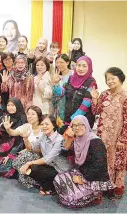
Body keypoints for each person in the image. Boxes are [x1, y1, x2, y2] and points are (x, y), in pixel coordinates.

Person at [54, 115, 114, 208]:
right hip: (80, 172)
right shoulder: (77, 140)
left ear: (86, 125)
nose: (77, 128)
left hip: (94, 179)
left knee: (71, 201)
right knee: (58, 179)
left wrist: (83, 179)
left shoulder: (96, 142)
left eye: (80, 124)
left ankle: (94, 195)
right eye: (74, 125)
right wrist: (69, 138)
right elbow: (64, 152)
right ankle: (76, 196)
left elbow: (100, 165)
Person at [91, 67, 127, 199]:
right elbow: (96, 111)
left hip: (118, 136)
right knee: (104, 160)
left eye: (113, 78)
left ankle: (117, 188)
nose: (110, 81)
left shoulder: (125, 96)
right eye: (108, 79)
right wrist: (95, 99)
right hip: (103, 135)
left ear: (120, 78)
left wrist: (123, 139)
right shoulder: (104, 94)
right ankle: (106, 186)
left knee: (117, 162)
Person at [18, 115, 69, 195]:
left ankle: (51, 187)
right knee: (29, 167)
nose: (44, 126)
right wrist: (25, 139)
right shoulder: (44, 136)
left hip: (60, 170)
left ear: (53, 125)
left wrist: (29, 163)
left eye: (47, 124)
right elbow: (31, 148)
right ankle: (49, 186)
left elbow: (47, 159)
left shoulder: (59, 139)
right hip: (50, 166)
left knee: (33, 168)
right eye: (42, 124)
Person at [51, 56, 97, 134]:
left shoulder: (91, 82)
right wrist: (56, 84)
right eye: (79, 65)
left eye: (84, 66)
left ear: (89, 67)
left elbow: (86, 104)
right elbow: (62, 93)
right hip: (68, 118)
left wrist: (73, 119)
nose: (81, 68)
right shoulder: (71, 78)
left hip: (82, 121)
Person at [0, 98, 27, 178]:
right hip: (4, 145)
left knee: (9, 167)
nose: (10, 107)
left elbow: (21, 140)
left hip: (17, 147)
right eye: (8, 105)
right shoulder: (5, 117)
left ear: (18, 106)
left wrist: (11, 154)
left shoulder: (23, 118)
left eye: (13, 105)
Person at [11, 106, 44, 188]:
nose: (30, 116)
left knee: (21, 159)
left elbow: (42, 147)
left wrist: (27, 149)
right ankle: (31, 179)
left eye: (33, 114)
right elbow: (13, 132)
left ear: (38, 116)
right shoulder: (27, 126)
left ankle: (29, 179)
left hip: (40, 154)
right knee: (15, 162)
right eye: (28, 114)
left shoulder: (43, 128)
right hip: (29, 151)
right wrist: (8, 128)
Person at [52, 54, 73, 127]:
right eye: (57, 62)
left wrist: (56, 84)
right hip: (58, 107)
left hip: (69, 106)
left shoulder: (72, 75)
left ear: (67, 63)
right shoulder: (56, 76)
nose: (59, 64)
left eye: (61, 62)